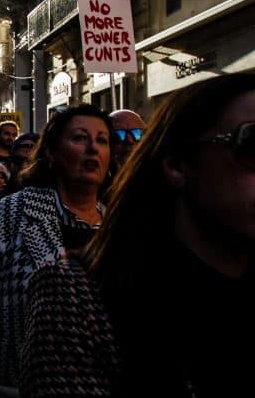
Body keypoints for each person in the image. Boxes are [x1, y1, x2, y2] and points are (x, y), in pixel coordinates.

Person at [20, 74, 255, 397]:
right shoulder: (79, 296)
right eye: (250, 143)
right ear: (177, 165)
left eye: (103, 140)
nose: (94, 149)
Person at [0, 104, 113, 392]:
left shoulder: (116, 222)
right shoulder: (12, 214)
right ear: (52, 152)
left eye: (102, 140)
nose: (92, 149)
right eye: (79, 138)